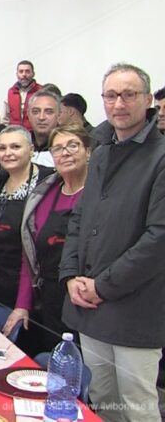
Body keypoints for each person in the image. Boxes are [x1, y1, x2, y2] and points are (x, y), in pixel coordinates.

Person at [59, 63, 165, 422]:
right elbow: (80, 219)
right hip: (90, 306)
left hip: (135, 307)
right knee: (102, 401)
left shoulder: (161, 157)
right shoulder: (101, 153)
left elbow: (158, 238)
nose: (119, 103)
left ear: (149, 100)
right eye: (111, 95)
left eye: (129, 94)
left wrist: (101, 286)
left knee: (137, 405)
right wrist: (71, 275)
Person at [4, 124, 91, 353]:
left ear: (88, 151)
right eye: (58, 148)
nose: (65, 153)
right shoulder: (45, 193)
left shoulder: (99, 194)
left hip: (88, 299)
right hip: (51, 297)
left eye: (73, 145)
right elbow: (29, 254)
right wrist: (22, 305)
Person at [0, 126, 52, 313]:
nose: (8, 153)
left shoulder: (48, 182)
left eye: (15, 147)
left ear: (31, 150)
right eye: (2, 148)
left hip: (31, 286)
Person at [28, 89, 60, 168]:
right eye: (36, 112)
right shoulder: (20, 145)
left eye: (48, 112)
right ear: (28, 115)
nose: (41, 117)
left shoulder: (66, 149)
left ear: (59, 115)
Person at [5, 60, 42, 130]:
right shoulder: (11, 92)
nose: (24, 74)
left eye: (27, 71)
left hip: (34, 134)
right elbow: (5, 118)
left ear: (33, 74)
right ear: (17, 74)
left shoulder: (40, 91)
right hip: (15, 133)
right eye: (21, 71)